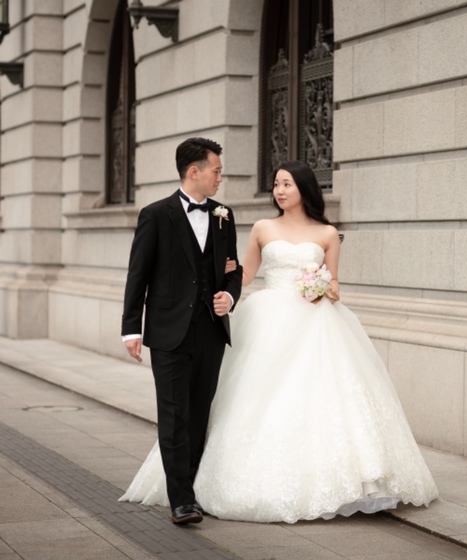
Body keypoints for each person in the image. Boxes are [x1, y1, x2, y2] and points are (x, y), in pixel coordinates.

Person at [121, 160, 438, 523]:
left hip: (316, 324)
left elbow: (335, 285)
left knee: (320, 397)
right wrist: (225, 288)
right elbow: (244, 273)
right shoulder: (261, 227)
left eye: (286, 184)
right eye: (276, 185)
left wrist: (321, 290)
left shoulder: (328, 234)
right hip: (268, 319)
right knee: (245, 396)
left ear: (304, 188)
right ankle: (188, 488)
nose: (279, 191)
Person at [120, 137, 243, 525]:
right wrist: (130, 329)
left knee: (198, 412)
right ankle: (181, 500)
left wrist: (230, 296)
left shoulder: (225, 215)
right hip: (168, 330)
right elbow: (137, 275)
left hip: (210, 331)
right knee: (173, 414)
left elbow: (232, 268)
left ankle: (191, 486)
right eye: (217, 170)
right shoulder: (155, 215)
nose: (221, 177)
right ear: (195, 172)